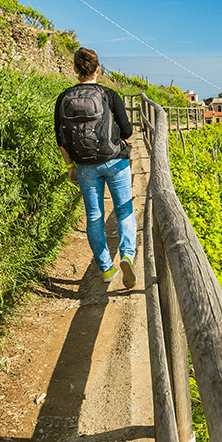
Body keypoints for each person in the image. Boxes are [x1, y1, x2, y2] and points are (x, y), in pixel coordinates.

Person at [54, 47, 136, 287]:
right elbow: (128, 131)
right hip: (115, 160)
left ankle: (105, 267)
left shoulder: (63, 97)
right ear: (98, 69)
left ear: (76, 70)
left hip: (85, 165)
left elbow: (60, 138)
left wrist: (70, 166)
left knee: (94, 216)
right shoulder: (109, 95)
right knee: (124, 210)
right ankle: (128, 255)